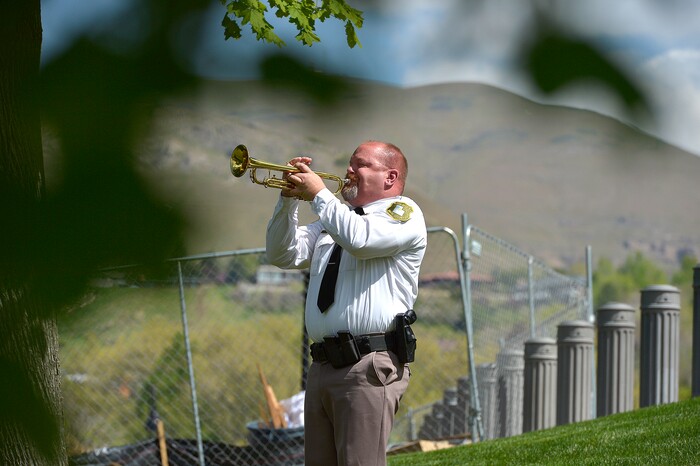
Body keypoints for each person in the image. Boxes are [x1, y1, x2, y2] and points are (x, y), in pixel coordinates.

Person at [265, 140, 427, 466]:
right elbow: (282, 253)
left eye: (361, 165)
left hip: (367, 366)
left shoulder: (403, 214)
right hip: (323, 365)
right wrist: (287, 202)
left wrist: (319, 195)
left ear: (390, 177)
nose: (349, 171)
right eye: (350, 163)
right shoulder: (336, 218)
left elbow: (361, 240)